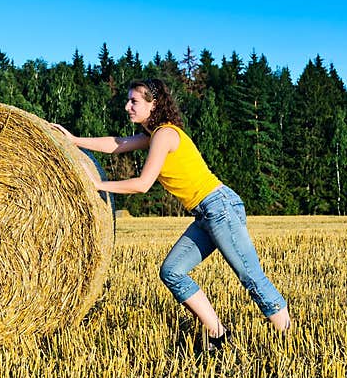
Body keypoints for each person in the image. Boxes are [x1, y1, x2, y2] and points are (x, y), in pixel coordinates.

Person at [51, 77, 290, 350]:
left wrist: (97, 185)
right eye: (127, 100)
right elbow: (117, 143)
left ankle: (288, 341)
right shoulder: (153, 136)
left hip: (219, 206)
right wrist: (74, 141)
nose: (127, 106)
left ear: (153, 105)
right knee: (172, 271)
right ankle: (218, 336)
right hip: (205, 213)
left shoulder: (165, 134)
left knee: (250, 276)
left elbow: (142, 185)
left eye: (134, 101)